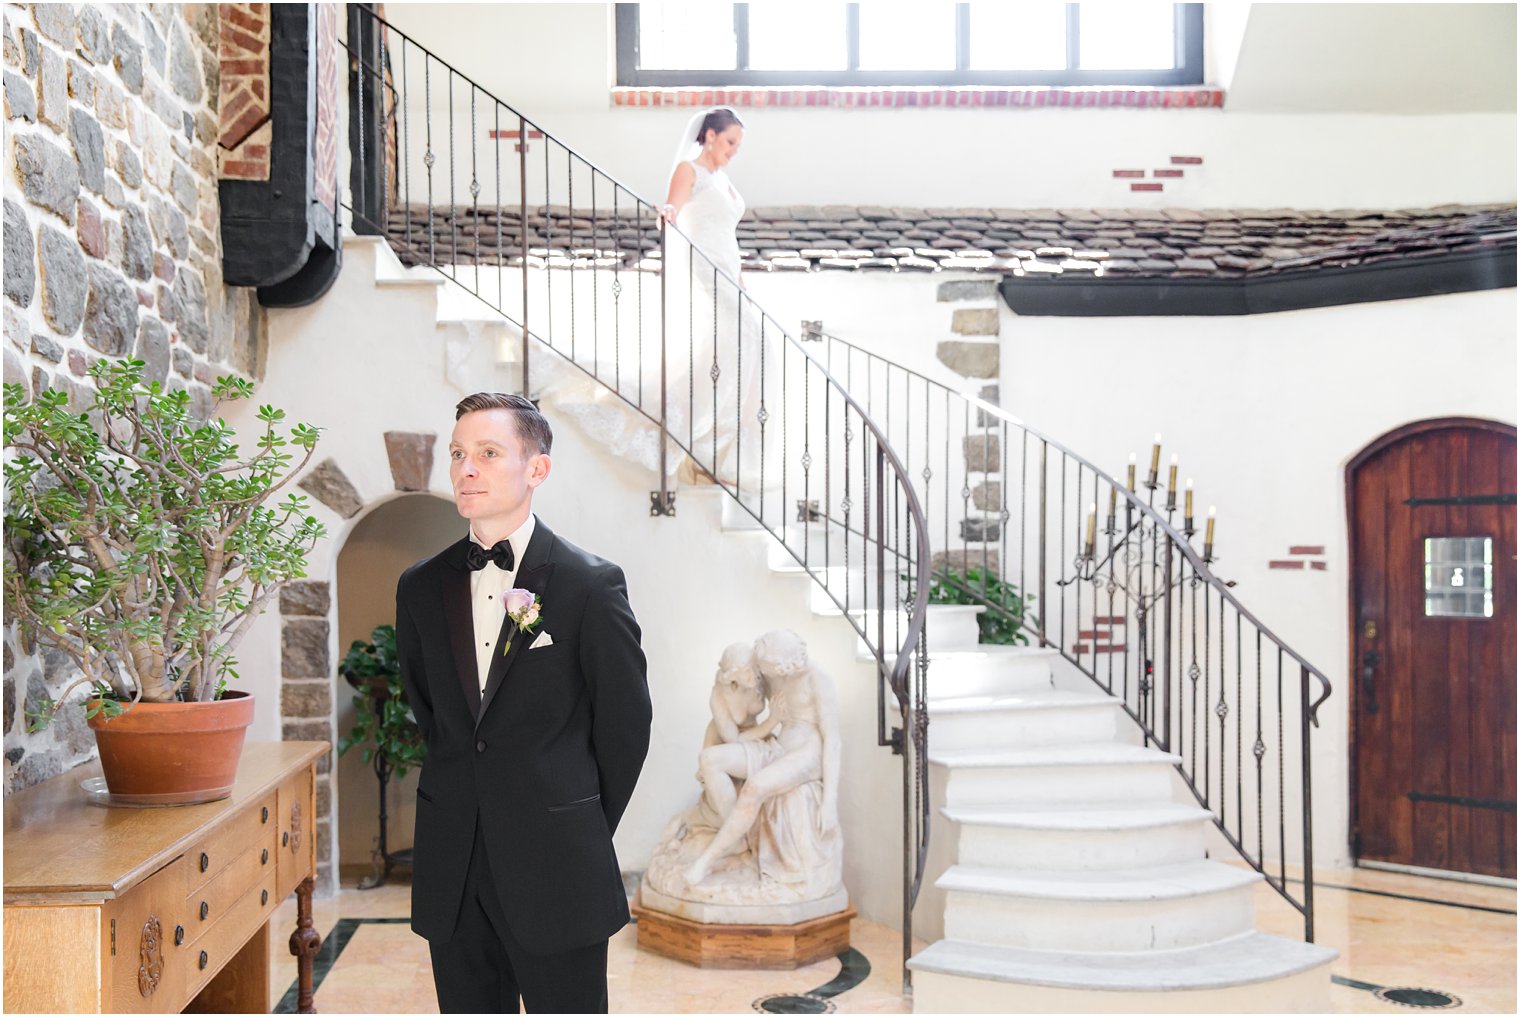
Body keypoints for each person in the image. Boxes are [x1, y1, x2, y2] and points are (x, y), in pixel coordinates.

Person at [395, 392, 652, 1014]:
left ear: (537, 469)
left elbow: (626, 726)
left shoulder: (590, 585)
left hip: (557, 863)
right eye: (458, 454)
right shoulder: (419, 587)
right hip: (452, 866)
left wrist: (575, 819)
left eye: (487, 452)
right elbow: (431, 712)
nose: (465, 469)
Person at [540, 108, 778, 496]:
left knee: (744, 347)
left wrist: (740, 280)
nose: (735, 151)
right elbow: (673, 210)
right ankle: (700, 438)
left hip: (729, 273)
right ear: (712, 135)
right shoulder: (690, 170)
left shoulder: (723, 177)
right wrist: (667, 212)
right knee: (741, 341)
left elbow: (727, 235)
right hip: (705, 269)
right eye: (731, 142)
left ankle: (722, 452)